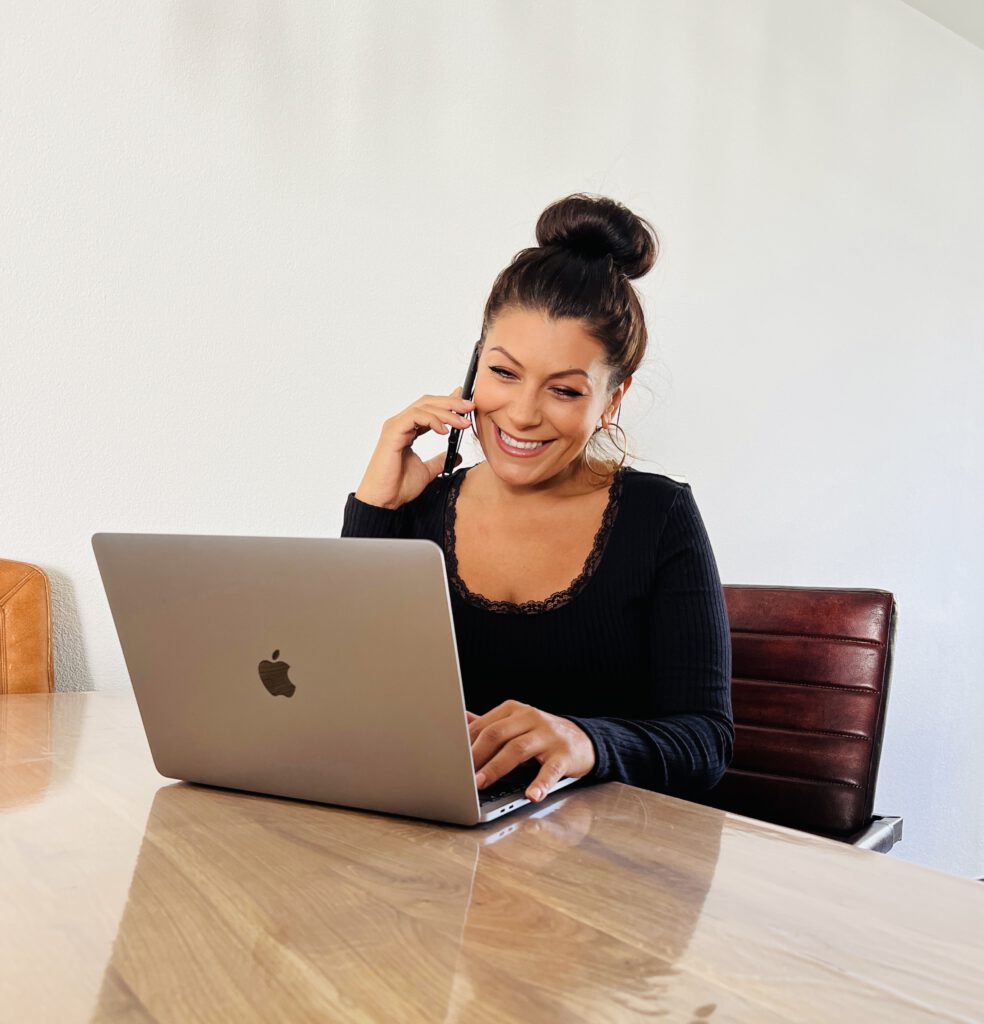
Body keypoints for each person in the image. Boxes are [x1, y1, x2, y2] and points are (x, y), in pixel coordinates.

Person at [342, 193, 733, 806]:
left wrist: (587, 741)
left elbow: (705, 743)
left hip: (600, 873)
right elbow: (341, 701)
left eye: (565, 390)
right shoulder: (416, 512)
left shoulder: (659, 518)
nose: (522, 415)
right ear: (473, 369)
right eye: (503, 373)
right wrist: (375, 508)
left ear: (612, 398)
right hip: (433, 854)